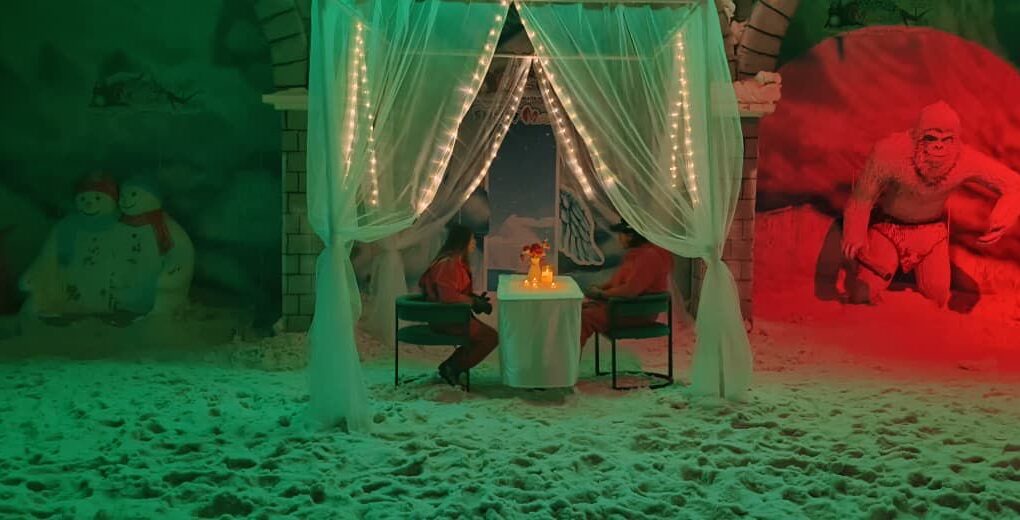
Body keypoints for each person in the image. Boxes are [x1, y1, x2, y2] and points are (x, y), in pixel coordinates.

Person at [842, 101, 1020, 306]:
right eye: (931, 138)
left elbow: (1014, 185)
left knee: (937, 296)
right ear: (917, 138)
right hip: (888, 228)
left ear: (956, 141)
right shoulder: (890, 152)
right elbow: (862, 197)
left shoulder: (965, 159)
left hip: (931, 234)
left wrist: (1003, 216)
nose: (939, 146)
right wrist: (854, 231)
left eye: (947, 139)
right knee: (862, 293)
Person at [418, 225, 497, 386]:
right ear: (462, 242)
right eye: (472, 239)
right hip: (447, 319)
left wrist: (474, 299)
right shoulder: (448, 264)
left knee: (488, 336)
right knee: (490, 338)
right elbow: (448, 296)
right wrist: (473, 301)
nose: (474, 242)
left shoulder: (455, 263)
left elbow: (455, 292)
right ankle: (452, 367)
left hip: (453, 316)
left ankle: (452, 366)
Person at [579, 219, 674, 348]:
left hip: (635, 311)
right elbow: (617, 281)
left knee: (584, 318)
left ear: (631, 236)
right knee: (576, 310)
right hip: (624, 307)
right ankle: (567, 356)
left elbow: (630, 290)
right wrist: (599, 289)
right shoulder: (637, 254)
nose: (619, 239)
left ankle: (570, 359)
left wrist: (602, 294)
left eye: (621, 234)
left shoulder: (649, 256)